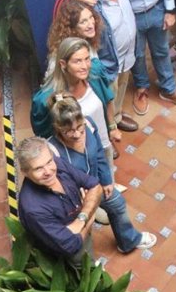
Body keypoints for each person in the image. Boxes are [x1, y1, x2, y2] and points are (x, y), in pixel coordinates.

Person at [46, 95, 156, 254]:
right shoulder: (52, 151)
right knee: (84, 233)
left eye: (79, 127)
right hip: (76, 199)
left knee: (117, 204)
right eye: (69, 131)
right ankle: (88, 264)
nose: (77, 134)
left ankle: (128, 241)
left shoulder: (90, 125)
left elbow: (99, 153)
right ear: (57, 128)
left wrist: (106, 180)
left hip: (96, 185)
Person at [70, 0, 138, 134]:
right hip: (109, 66)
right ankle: (107, 130)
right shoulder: (90, 7)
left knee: (120, 90)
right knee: (106, 98)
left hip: (127, 57)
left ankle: (117, 117)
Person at [31, 37, 116, 172]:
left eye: (87, 59)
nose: (85, 66)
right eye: (77, 61)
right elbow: (44, 135)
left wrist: (112, 127)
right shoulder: (45, 100)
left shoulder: (95, 74)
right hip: (75, 156)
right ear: (63, 64)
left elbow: (108, 98)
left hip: (103, 142)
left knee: (108, 173)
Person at [16, 136, 102, 264]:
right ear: (25, 172)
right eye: (38, 168)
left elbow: (95, 186)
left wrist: (82, 218)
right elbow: (71, 246)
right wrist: (89, 219)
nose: (48, 171)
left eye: (49, 162)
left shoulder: (56, 163)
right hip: (67, 256)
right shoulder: (33, 208)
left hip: (80, 224)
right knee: (85, 265)